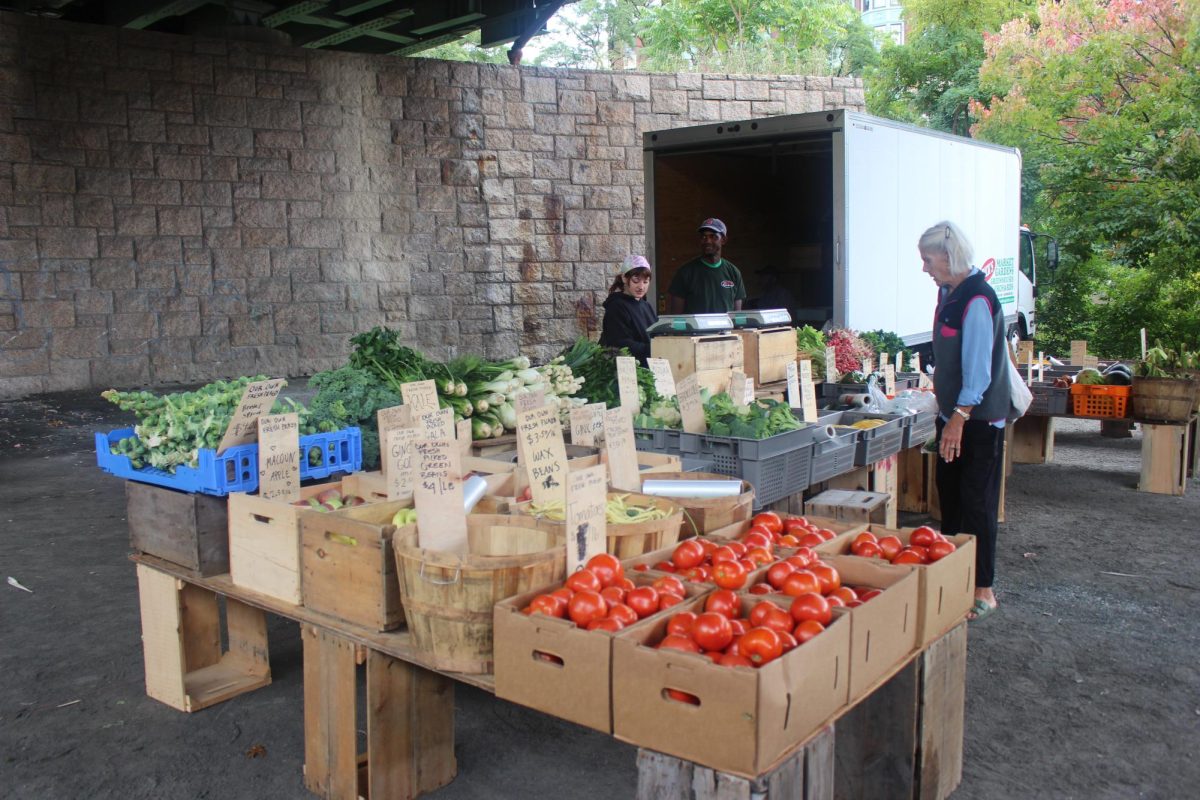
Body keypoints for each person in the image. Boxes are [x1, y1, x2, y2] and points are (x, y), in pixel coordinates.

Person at [921, 220, 1010, 622]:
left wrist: (957, 419)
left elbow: (978, 373)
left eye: (928, 259)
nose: (925, 268)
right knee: (951, 496)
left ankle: (984, 589)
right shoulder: (948, 292)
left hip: (977, 419)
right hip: (951, 415)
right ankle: (955, 577)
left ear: (947, 255)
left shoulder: (977, 299)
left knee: (977, 502)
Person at [667, 218, 747, 314]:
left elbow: (737, 316)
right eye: (704, 237)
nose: (707, 241)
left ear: (724, 240)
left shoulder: (733, 272)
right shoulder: (685, 273)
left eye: (713, 236)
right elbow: (676, 318)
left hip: (725, 329)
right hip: (696, 329)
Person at [599, 254, 658, 365]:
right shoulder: (616, 306)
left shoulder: (646, 306)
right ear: (624, 278)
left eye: (645, 282)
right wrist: (652, 349)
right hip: (627, 369)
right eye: (636, 281)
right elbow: (620, 343)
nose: (641, 287)